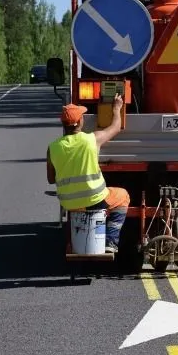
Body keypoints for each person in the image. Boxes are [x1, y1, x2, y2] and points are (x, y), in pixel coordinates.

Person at [47, 93, 130, 253]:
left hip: (69, 204)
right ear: (79, 122)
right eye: (82, 116)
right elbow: (115, 127)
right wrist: (116, 108)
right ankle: (111, 241)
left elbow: (51, 179)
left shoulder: (52, 148)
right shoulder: (92, 139)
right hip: (95, 199)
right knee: (123, 196)